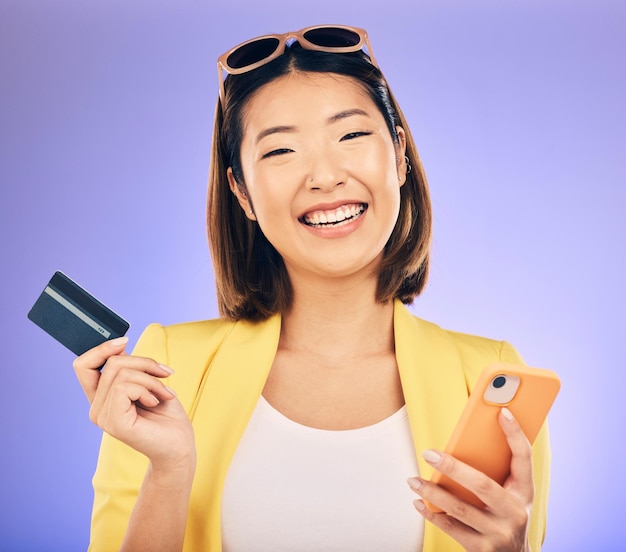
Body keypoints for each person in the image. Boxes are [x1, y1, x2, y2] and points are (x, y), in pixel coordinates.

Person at [73, 25, 551, 552]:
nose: (324, 176)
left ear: (398, 156)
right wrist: (169, 469)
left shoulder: (486, 383)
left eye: (350, 136)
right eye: (281, 151)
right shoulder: (169, 373)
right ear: (242, 192)